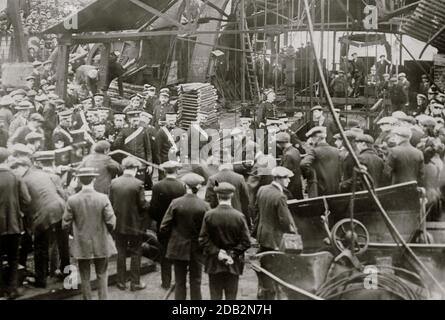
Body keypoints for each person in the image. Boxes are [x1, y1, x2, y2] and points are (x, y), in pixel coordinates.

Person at [10, 157, 69, 288]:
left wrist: (23, 214)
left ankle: (41, 280)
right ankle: (67, 272)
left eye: (15, 169)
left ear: (21, 167)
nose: (14, 173)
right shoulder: (42, 174)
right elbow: (59, 191)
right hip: (60, 207)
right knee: (63, 244)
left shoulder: (22, 180)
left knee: (40, 247)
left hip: (43, 215)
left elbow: (25, 201)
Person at [62, 167, 117, 300]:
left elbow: (65, 224)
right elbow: (111, 222)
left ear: (79, 181)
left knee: (84, 275)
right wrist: (105, 233)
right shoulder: (103, 198)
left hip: (81, 243)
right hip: (101, 241)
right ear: (93, 179)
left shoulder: (72, 200)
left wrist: (75, 234)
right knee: (102, 274)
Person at [160, 173, 210, 300]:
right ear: (198, 187)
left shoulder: (175, 203)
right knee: (196, 281)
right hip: (197, 248)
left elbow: (164, 227)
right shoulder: (205, 206)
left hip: (177, 247)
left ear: (185, 186)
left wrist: (172, 239)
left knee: (179, 281)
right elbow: (209, 230)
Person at [199, 182, 251, 300]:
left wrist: (218, 253)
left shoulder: (209, 215)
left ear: (217, 196)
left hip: (214, 263)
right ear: (232, 195)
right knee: (231, 297)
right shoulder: (239, 216)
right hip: (233, 264)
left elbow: (202, 239)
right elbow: (246, 242)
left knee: (215, 296)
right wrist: (231, 254)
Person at [110, 157, 148, 291]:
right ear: (136, 168)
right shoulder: (138, 184)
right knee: (136, 252)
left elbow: (111, 202)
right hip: (134, 225)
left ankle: (121, 282)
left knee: (120, 252)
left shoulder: (114, 183)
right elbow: (142, 205)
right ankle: (135, 282)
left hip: (118, 224)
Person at [149, 161, 186, 289]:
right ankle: (179, 282)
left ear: (164, 171)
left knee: (164, 254)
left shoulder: (157, 186)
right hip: (179, 225)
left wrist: (158, 220)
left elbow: (153, 209)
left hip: (162, 226)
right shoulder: (182, 186)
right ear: (176, 171)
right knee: (178, 253)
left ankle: (166, 282)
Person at [0, 148, 31, 299]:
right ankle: (12, 289)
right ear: (7, 160)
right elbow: (26, 200)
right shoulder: (15, 177)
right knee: (13, 258)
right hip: (13, 224)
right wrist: (20, 212)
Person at [301, 126, 342, 197]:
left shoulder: (314, 151)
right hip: (335, 188)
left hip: (319, 189)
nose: (311, 140)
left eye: (312, 138)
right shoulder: (336, 151)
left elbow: (303, 164)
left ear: (317, 138)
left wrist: (311, 176)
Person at [275, 132, 303, 199]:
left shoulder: (288, 155)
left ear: (281, 143)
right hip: (297, 184)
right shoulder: (295, 150)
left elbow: (283, 173)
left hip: (290, 187)